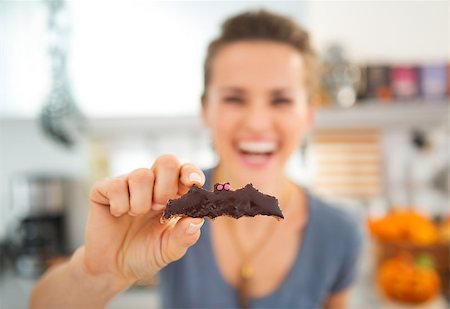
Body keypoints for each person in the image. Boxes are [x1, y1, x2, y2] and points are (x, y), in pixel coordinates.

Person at [30, 10, 362, 309]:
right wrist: (99, 272)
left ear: (308, 115)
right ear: (206, 109)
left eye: (282, 100)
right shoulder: (167, 208)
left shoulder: (340, 233)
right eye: (234, 98)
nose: (258, 122)